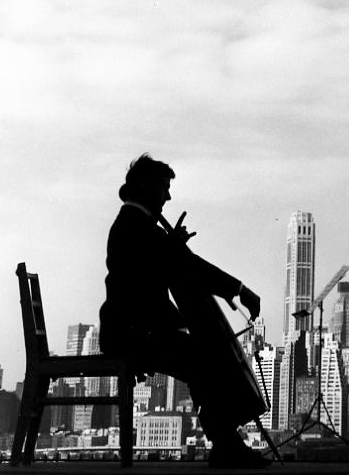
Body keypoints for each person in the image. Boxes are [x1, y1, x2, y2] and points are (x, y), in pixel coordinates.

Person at [99, 154, 270, 469]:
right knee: (204, 360)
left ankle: (226, 444)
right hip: (132, 334)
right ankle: (226, 446)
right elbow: (184, 266)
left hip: (135, 330)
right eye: (163, 188)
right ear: (145, 187)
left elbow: (165, 266)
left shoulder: (139, 226)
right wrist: (239, 289)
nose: (168, 196)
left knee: (202, 358)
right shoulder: (136, 226)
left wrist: (172, 247)